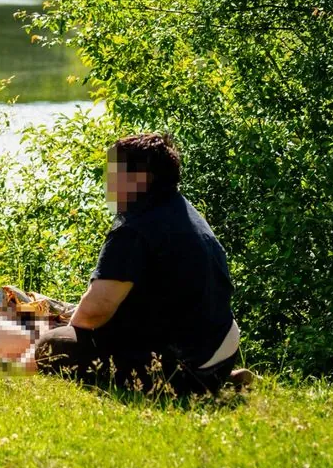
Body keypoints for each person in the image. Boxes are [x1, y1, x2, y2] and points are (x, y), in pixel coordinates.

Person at [29, 133, 246, 394]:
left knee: (53, 345)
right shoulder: (182, 211)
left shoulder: (135, 228)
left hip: (182, 367)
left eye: (113, 174)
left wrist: (64, 332)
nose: (107, 184)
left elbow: (94, 312)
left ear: (140, 178)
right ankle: (221, 380)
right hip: (221, 352)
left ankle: (193, 385)